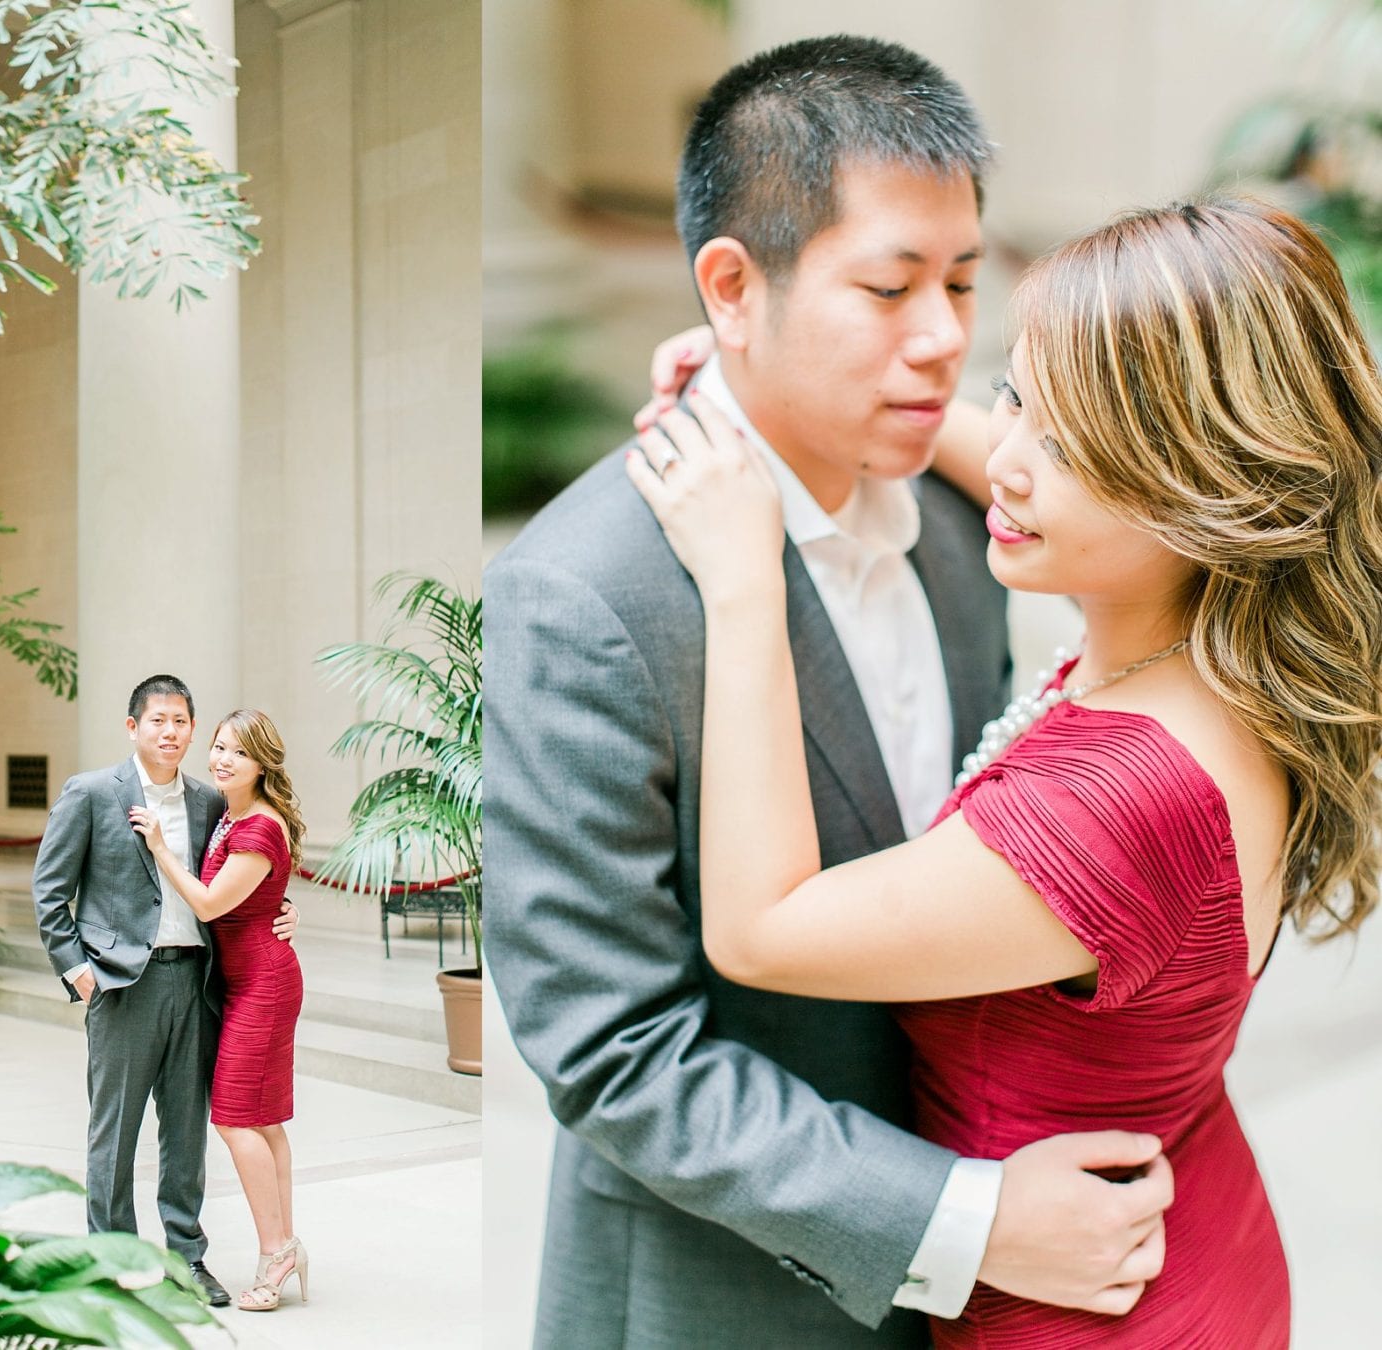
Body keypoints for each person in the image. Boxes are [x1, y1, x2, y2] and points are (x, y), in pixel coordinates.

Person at [484, 35, 1173, 1349]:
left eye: (966, 282)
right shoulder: (583, 595)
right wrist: (960, 1216)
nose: (943, 339)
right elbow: (612, 1050)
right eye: (890, 287)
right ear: (733, 288)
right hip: (719, 1298)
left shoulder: (976, 524)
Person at [627, 194, 1382, 1346]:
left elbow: (761, 929)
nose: (1013, 459)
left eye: (1073, 446)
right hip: (1190, 1219)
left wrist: (743, 576)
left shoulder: (1122, 800)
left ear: (1211, 491)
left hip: (1089, 1313)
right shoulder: (1218, 647)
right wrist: (784, 386)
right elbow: (1010, 462)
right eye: (1015, 391)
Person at [31, 675, 298, 1310]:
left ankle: (187, 1259)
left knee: (185, 1133)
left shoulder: (213, 802)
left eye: (182, 721)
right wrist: (79, 971)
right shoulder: (93, 793)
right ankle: (113, 1262)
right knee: (114, 1130)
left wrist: (283, 910)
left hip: (199, 981)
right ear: (133, 727)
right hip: (124, 983)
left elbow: (247, 876)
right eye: (158, 720)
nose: (171, 732)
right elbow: (49, 890)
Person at [131, 708, 309, 1314]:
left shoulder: (257, 826)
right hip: (246, 979)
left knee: (235, 1118)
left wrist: (159, 846)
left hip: (263, 983)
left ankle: (275, 1253)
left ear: (263, 763)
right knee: (264, 1122)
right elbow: (258, 895)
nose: (221, 759)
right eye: (218, 747)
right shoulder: (232, 814)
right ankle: (285, 1243)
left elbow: (208, 905)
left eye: (237, 751)